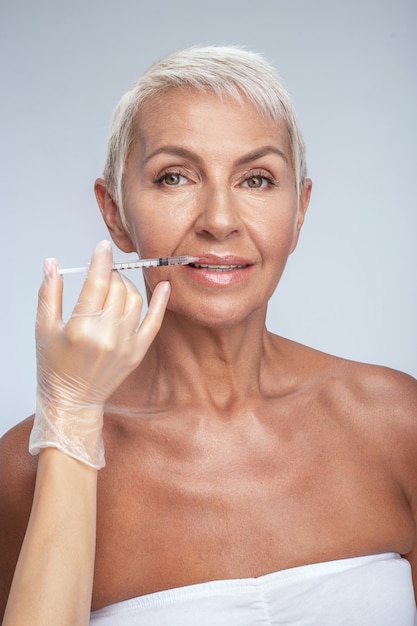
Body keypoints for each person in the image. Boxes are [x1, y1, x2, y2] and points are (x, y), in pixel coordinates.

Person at [1, 45, 416, 625]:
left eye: (256, 179)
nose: (219, 219)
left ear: (300, 211)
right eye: (175, 177)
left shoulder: (398, 422)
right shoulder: (23, 471)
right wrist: (68, 422)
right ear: (115, 213)